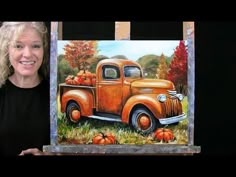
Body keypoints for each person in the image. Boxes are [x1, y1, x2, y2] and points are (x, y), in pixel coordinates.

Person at [0, 22, 51, 156]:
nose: (27, 54)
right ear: (7, 49)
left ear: (43, 50)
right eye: (18, 46)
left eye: (35, 46)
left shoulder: (55, 95)